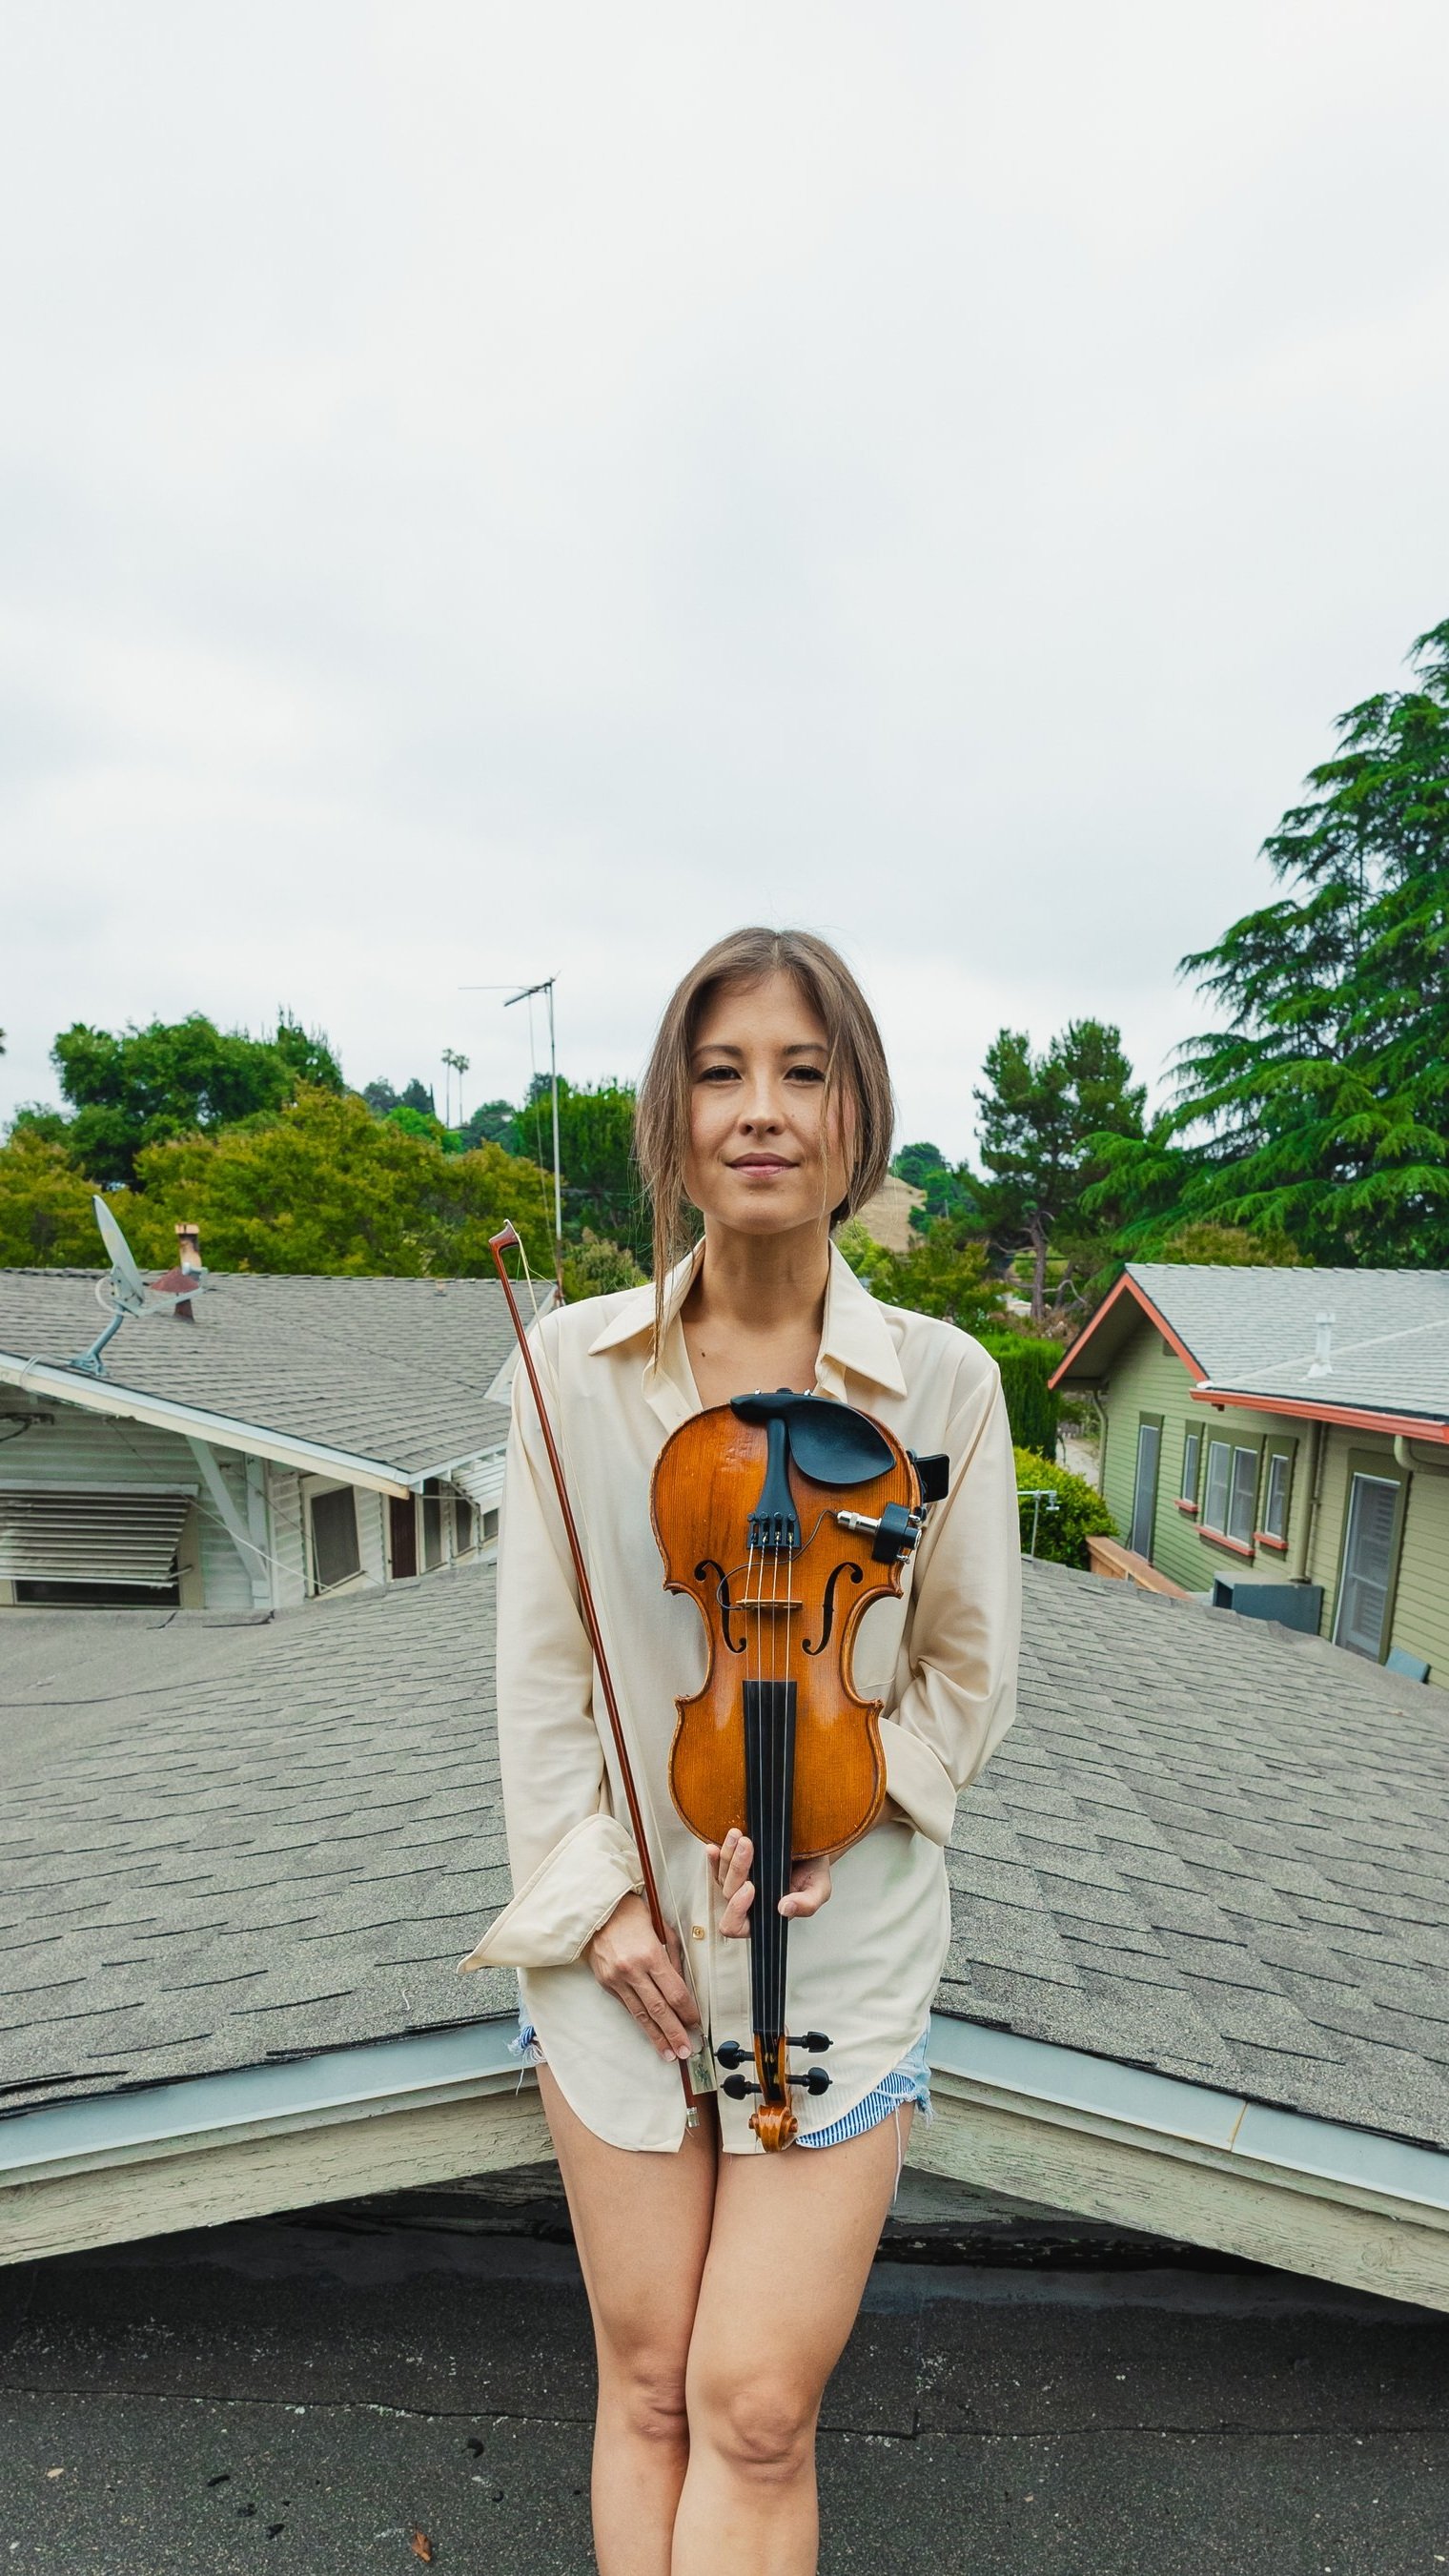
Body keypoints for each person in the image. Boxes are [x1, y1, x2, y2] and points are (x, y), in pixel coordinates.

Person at [460, 926, 1020, 2575]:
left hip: (838, 1943)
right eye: (722, 1072)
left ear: (857, 1115)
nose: (761, 1109)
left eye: (803, 1070)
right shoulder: (570, 1369)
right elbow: (541, 1675)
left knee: (756, 2399)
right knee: (645, 2385)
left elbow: (964, 1678)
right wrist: (601, 1904)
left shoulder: (944, 1386)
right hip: (623, 1940)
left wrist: (838, 1808)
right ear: (672, 1117)